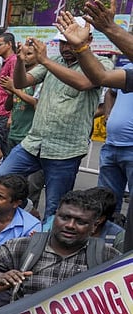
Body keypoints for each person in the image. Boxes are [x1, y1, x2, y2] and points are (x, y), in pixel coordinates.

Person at [0, 20, 111, 220]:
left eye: (70, 43)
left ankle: (45, 246)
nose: (65, 48)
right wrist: (20, 61)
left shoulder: (101, 65)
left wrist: (45, 60)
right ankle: (29, 215)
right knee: (0, 179)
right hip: (34, 143)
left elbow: (82, 83)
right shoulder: (54, 61)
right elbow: (21, 82)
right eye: (62, 43)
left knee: (55, 208)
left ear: (88, 40)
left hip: (65, 150)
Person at [0, 191, 119, 302]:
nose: (70, 226)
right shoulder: (23, 246)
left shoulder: (107, 257)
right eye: (65, 218)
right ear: (55, 216)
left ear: (94, 226)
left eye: (80, 222)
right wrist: (0, 276)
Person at [56, 8, 133, 216]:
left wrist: (109, 28)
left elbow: (85, 82)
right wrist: (80, 48)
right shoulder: (129, 72)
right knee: (105, 207)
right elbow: (102, 78)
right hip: (112, 146)